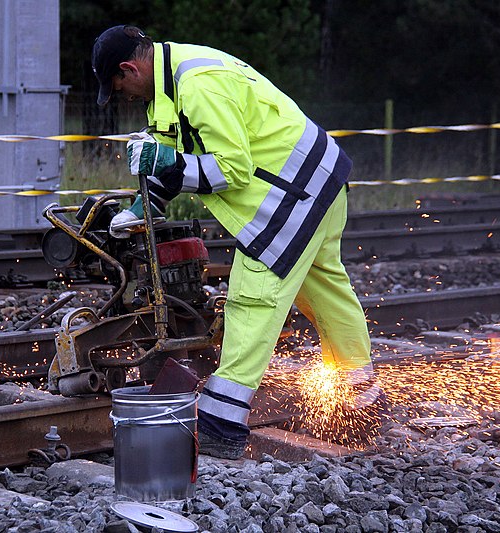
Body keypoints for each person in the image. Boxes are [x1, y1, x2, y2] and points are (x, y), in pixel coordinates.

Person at [92, 25, 383, 459]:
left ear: (129, 67)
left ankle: (222, 424)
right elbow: (176, 152)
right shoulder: (170, 84)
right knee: (325, 292)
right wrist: (140, 207)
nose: (124, 95)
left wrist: (169, 162)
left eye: (119, 86)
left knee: (253, 299)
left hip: (294, 193)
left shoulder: (198, 85)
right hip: (321, 181)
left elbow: (232, 170)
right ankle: (362, 404)